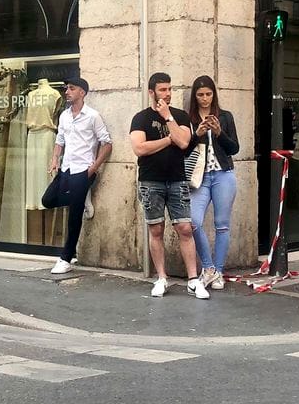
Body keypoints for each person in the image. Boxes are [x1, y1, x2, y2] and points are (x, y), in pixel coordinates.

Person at [129, 72, 202, 298]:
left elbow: (184, 142)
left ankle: (193, 280)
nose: (168, 93)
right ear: (151, 92)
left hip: (177, 179)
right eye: (162, 90)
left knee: (185, 228)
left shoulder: (179, 116)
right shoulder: (140, 118)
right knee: (156, 229)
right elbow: (140, 148)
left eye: (170, 89)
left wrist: (168, 117)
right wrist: (168, 139)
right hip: (151, 180)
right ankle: (161, 277)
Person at [44, 77, 112, 276]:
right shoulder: (64, 116)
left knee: (74, 217)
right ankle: (81, 200)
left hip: (83, 170)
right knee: (47, 200)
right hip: (67, 168)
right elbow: (60, 140)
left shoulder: (93, 116)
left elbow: (107, 144)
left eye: (71, 89)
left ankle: (66, 258)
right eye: (66, 88)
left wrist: (93, 168)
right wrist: (54, 159)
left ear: (82, 92)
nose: (67, 92)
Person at [184, 76, 239, 290]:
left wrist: (219, 133)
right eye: (200, 95)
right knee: (194, 222)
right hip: (200, 178)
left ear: (214, 94)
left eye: (208, 94)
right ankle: (209, 268)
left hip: (223, 174)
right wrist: (197, 135)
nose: (205, 98)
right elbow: (183, 150)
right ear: (195, 96)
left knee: (222, 225)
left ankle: (218, 272)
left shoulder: (225, 116)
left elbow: (234, 148)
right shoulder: (188, 118)